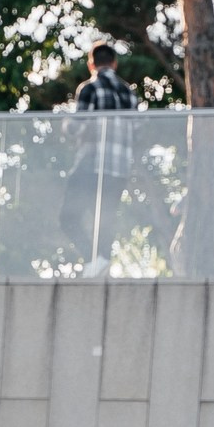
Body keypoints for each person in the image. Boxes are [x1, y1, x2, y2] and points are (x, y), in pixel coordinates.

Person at [59, 42, 138, 271]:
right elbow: (139, 128)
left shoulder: (90, 88)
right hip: (120, 166)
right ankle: (101, 260)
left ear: (91, 64)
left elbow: (76, 126)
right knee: (105, 217)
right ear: (114, 63)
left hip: (92, 161)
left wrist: (65, 126)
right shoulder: (128, 93)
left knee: (68, 216)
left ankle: (93, 259)